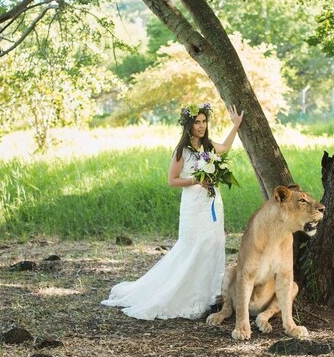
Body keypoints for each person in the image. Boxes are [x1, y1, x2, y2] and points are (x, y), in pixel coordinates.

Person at [101, 103, 244, 319]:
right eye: (197, 122)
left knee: (214, 243)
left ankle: (212, 294)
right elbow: (172, 181)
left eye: (204, 122)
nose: (202, 126)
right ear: (188, 124)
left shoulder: (208, 148)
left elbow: (225, 147)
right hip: (194, 205)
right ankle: (190, 294)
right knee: (195, 246)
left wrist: (236, 126)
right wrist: (197, 180)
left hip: (213, 204)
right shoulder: (181, 152)